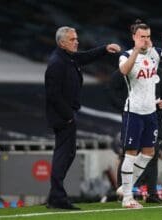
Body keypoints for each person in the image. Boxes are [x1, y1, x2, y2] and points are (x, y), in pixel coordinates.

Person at [45, 26, 120, 210]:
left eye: (76, 38)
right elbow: (53, 95)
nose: (76, 41)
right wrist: (68, 116)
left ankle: (55, 195)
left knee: (66, 154)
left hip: (66, 115)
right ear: (62, 43)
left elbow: (85, 56)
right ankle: (57, 198)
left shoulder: (67, 57)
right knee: (64, 155)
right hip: (63, 117)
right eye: (72, 39)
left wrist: (104, 49)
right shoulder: (57, 63)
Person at [117, 19, 162, 209]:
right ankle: (127, 199)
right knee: (130, 154)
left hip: (151, 112)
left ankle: (127, 187)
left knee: (149, 153)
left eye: (148, 37)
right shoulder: (126, 55)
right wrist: (137, 50)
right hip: (134, 112)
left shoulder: (155, 53)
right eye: (142, 37)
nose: (146, 40)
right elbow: (124, 70)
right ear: (134, 37)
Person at [108, 68, 162, 204]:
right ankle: (125, 193)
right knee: (129, 154)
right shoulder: (128, 67)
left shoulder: (160, 71)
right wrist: (126, 108)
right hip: (134, 117)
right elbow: (111, 90)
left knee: (152, 155)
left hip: (154, 118)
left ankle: (151, 193)